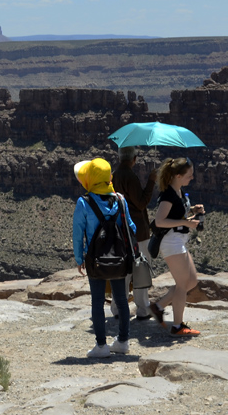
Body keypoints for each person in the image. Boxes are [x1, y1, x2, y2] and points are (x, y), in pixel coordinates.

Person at [73, 158, 135, 357]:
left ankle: (101, 346)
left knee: (97, 301)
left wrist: (78, 258)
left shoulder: (84, 202)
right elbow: (131, 228)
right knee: (122, 300)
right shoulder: (120, 200)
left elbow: (77, 232)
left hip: (95, 259)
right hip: (119, 258)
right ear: (109, 176)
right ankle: (123, 342)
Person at [149, 157, 204, 337]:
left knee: (192, 281)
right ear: (178, 176)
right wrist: (186, 223)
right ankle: (178, 326)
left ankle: (158, 307)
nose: (192, 178)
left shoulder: (178, 191)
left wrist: (192, 212)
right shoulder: (168, 195)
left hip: (179, 241)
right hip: (171, 243)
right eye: (189, 175)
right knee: (182, 285)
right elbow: (160, 221)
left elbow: (176, 213)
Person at [111, 146, 157, 321]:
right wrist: (152, 181)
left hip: (119, 228)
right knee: (141, 268)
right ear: (134, 159)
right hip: (138, 230)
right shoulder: (130, 176)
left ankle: (117, 308)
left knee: (122, 270)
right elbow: (141, 203)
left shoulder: (115, 175)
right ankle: (143, 309)